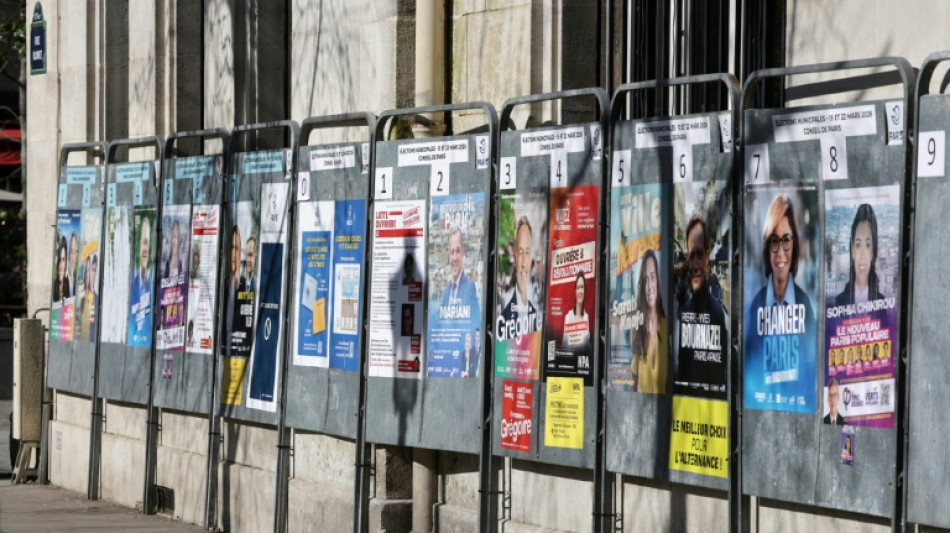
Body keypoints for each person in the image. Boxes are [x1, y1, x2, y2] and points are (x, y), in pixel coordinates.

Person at [676, 215, 727, 395]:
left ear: (707, 257)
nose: (695, 264)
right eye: (691, 256)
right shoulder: (684, 315)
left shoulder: (717, 314)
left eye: (699, 255)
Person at [632, 249, 668, 394]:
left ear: (658, 281)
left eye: (652, 277)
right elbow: (633, 384)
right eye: (645, 279)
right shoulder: (637, 326)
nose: (649, 286)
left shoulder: (666, 327)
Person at [836, 204, 882, 305]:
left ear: (873, 252)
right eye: (858, 245)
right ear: (852, 251)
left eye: (867, 245)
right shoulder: (840, 301)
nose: (862, 255)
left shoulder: (881, 302)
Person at [501, 216, 538, 323]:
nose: (523, 264)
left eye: (527, 252)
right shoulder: (505, 315)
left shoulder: (535, 315)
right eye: (520, 252)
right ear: (515, 258)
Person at [129, 215, 154, 344]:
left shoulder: (152, 285)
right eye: (144, 243)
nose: (145, 249)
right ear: (139, 246)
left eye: (148, 244)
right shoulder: (132, 284)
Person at [223, 224, 245, 357]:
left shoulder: (244, 288)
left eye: (236, 249)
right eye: (231, 248)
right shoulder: (223, 286)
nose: (233, 254)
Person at [561, 272, 592, 353]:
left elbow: (587, 346)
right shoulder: (569, 317)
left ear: (585, 290)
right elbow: (564, 346)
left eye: (582, 287)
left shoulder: (586, 317)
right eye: (578, 287)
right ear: (575, 291)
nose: (580, 291)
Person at [79, 255, 98, 342]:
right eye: (87, 271)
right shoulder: (80, 295)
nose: (88, 274)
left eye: (92, 271)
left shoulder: (95, 298)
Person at [53, 237, 70, 302]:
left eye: (63, 260)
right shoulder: (54, 285)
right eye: (59, 259)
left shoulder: (68, 283)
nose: (60, 266)